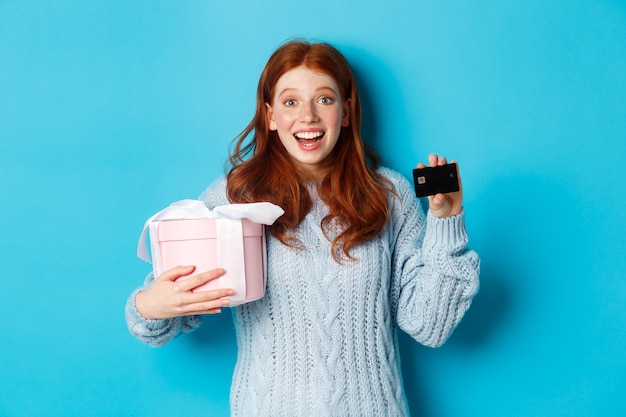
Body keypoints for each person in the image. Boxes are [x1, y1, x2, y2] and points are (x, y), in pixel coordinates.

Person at [126, 39, 480, 416]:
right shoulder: (233, 198)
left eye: (324, 100)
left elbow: (430, 323)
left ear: (346, 111)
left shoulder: (389, 195)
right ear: (270, 116)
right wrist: (147, 306)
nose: (308, 116)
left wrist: (446, 220)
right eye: (291, 102)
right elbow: (166, 316)